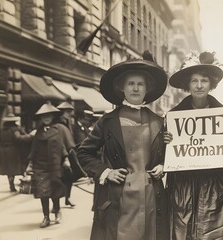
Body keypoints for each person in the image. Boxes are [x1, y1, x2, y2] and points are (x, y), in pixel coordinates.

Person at [77, 51, 169, 240]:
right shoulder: (108, 121)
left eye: (140, 84)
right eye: (131, 84)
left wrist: (163, 166)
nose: (135, 88)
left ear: (147, 89)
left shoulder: (159, 121)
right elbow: (84, 153)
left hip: (151, 196)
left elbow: (167, 155)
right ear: (122, 88)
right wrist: (105, 172)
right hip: (120, 197)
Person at [163, 51, 223, 240]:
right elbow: (162, 159)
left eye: (204, 80)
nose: (199, 85)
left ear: (211, 84)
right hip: (182, 188)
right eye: (194, 81)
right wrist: (166, 143)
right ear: (187, 85)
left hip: (216, 190)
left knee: (215, 234)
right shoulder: (172, 118)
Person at [26, 103, 75, 228]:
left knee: (55, 191)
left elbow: (63, 146)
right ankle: (46, 217)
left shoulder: (59, 129)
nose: (46, 118)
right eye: (43, 117)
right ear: (41, 118)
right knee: (43, 192)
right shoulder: (38, 132)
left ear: (53, 116)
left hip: (55, 165)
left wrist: (65, 159)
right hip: (40, 166)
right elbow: (34, 149)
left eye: (48, 116)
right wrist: (30, 164)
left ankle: (57, 210)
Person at [0, 113, 32, 191]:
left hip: (3, 152)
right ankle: (21, 183)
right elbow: (18, 138)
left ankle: (11, 183)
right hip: (14, 151)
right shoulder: (16, 129)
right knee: (18, 167)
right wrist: (30, 136)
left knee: (9, 169)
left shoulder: (1, 130)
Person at [56, 101, 77, 207]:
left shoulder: (68, 122)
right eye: (67, 112)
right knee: (60, 179)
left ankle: (67, 198)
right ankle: (57, 202)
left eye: (70, 112)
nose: (70, 114)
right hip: (59, 154)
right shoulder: (58, 124)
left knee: (69, 177)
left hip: (68, 153)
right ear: (62, 112)